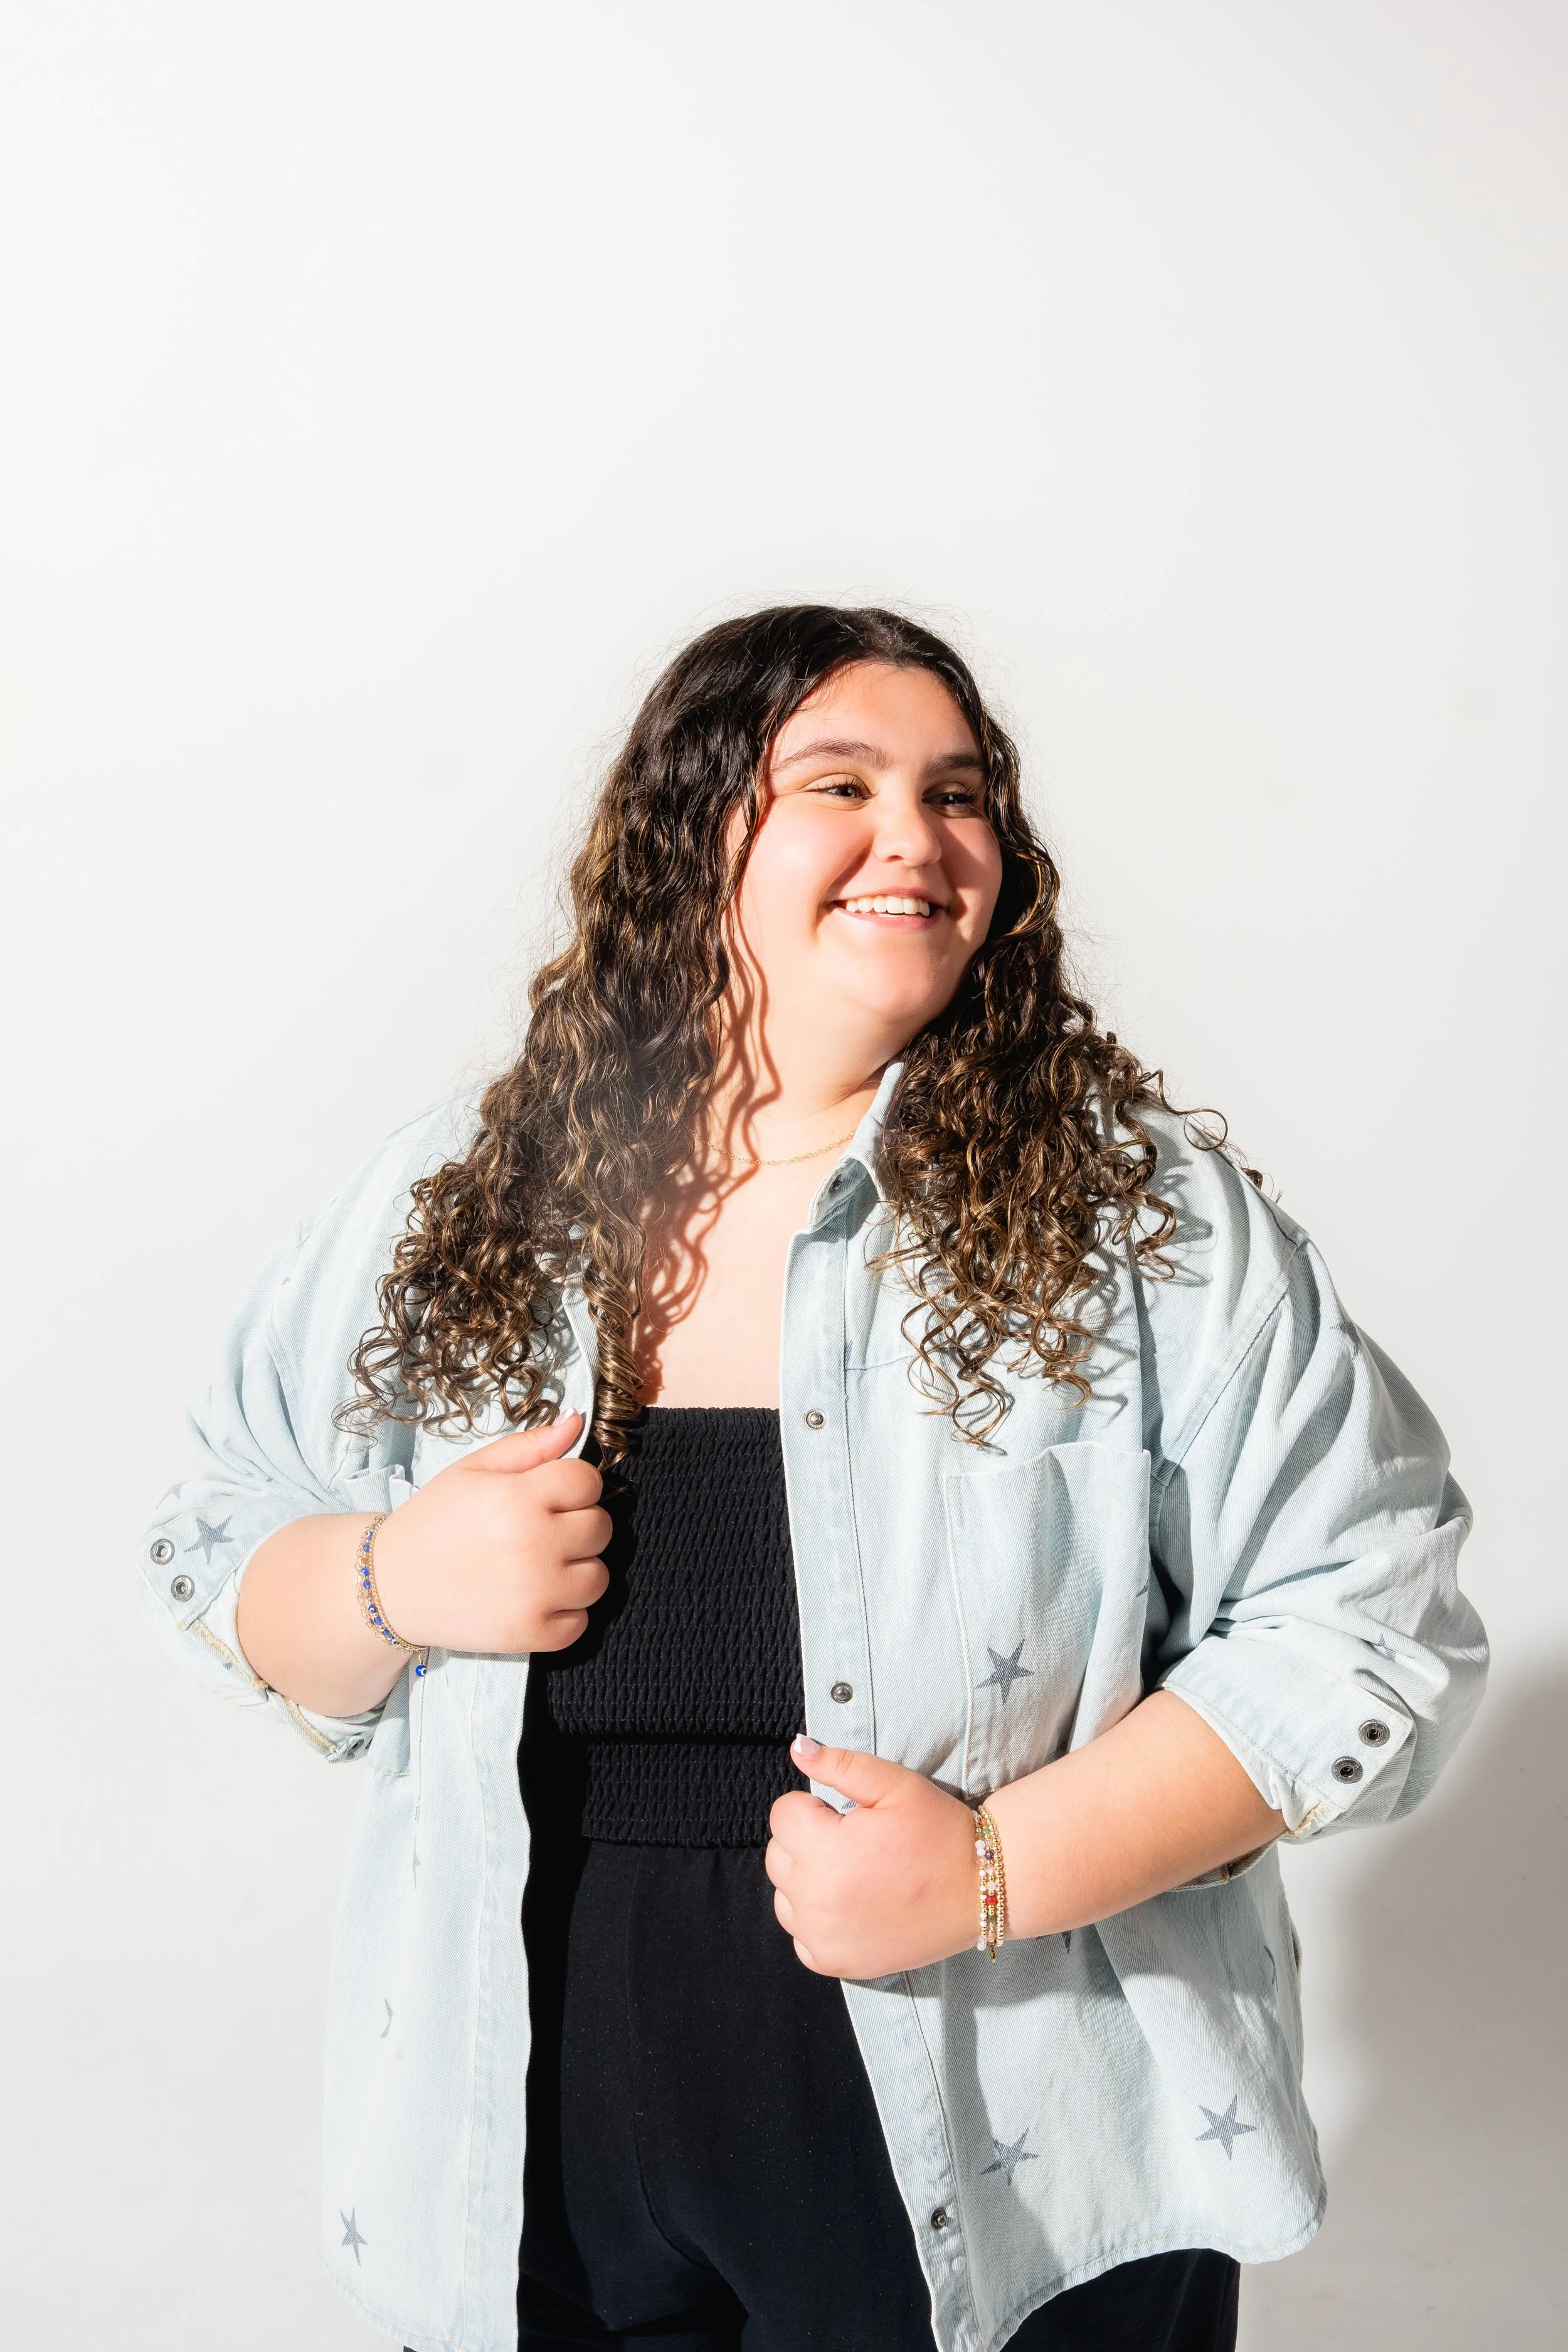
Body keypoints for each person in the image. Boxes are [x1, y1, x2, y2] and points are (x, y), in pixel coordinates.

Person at [137, 606, 1486, 2352]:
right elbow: (214, 1534)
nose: (916, 839)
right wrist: (392, 1573)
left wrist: (995, 1867)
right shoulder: (463, 1199)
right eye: (837, 785)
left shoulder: (1137, 1225)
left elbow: (1370, 1620)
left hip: (1000, 2135)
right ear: (694, 835)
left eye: (959, 792)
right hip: (524, 2137)